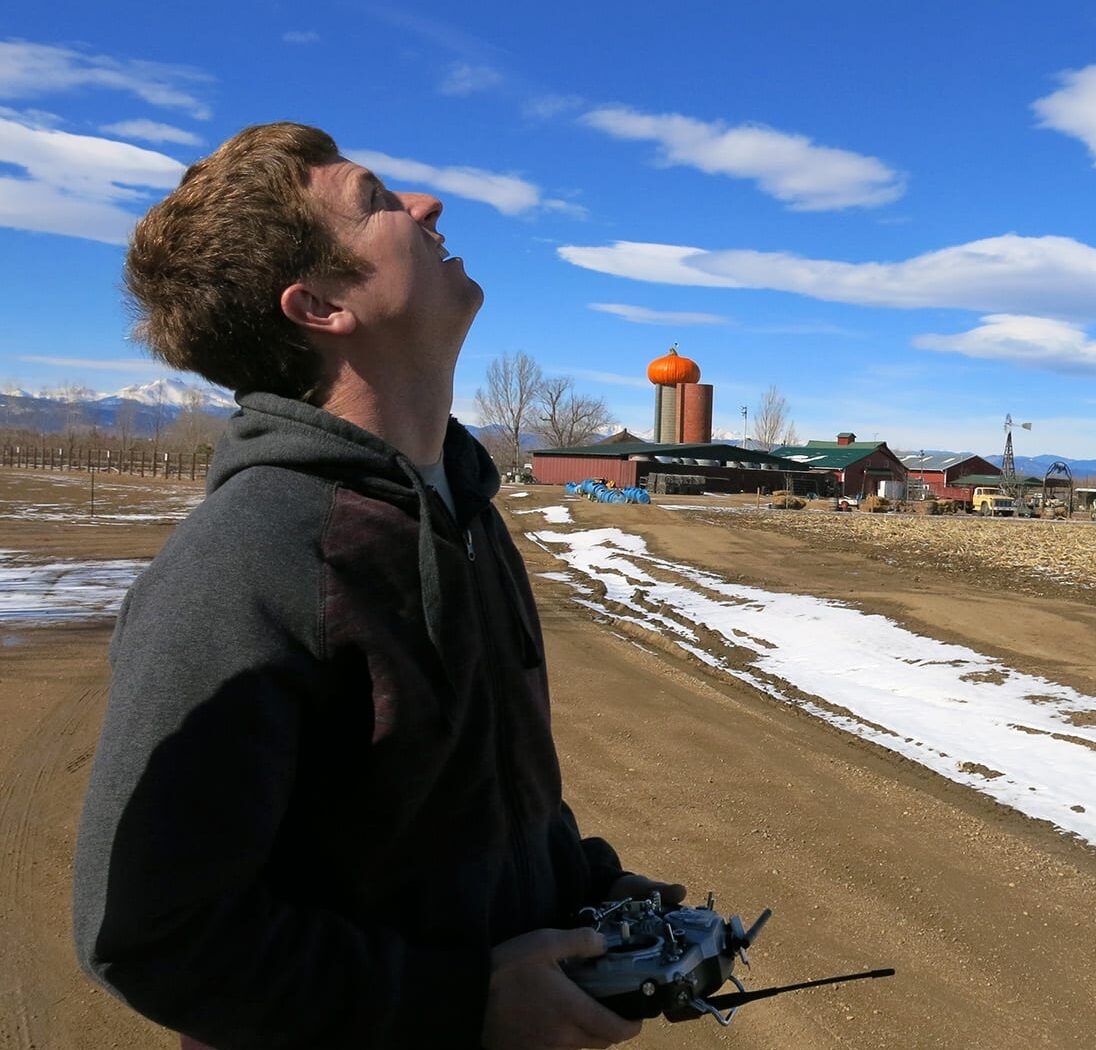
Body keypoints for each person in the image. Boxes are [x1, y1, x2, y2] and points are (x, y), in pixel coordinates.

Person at [72, 122, 682, 1050]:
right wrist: (457, 1003)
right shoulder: (251, 557)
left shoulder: (462, 512)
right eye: (378, 201)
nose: (426, 204)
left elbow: (463, 793)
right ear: (320, 305)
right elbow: (154, 936)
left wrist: (584, 888)